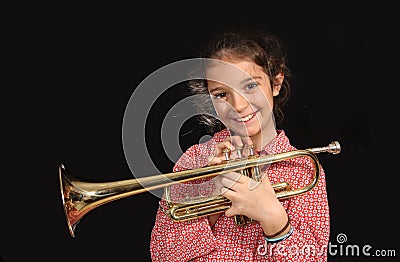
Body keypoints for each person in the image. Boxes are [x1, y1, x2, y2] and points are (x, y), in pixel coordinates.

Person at [149, 27, 330, 261]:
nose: (239, 104)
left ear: (276, 83)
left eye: (250, 86)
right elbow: (162, 255)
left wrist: (274, 220)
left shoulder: (302, 170)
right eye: (221, 94)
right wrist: (210, 192)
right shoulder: (195, 161)